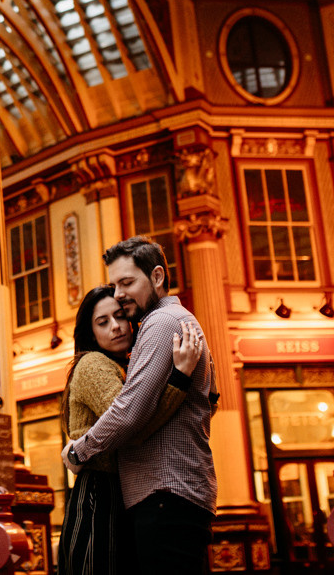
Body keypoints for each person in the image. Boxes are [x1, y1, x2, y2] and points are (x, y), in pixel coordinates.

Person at [62, 236, 217, 573]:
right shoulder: (177, 321)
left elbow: (129, 413)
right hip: (161, 493)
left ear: (157, 277)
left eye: (127, 282)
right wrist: (178, 380)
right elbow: (208, 401)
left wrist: (78, 451)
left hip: (163, 493)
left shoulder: (160, 324)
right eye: (103, 321)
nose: (119, 294)